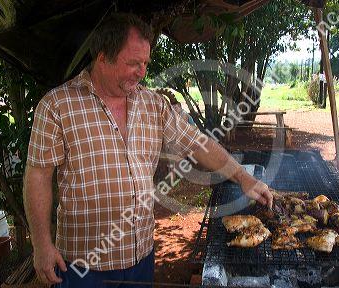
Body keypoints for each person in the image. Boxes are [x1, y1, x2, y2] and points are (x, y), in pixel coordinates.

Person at [23, 13, 273, 287]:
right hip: (83, 267)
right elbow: (38, 175)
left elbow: (197, 143)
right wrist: (41, 245)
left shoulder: (153, 104)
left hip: (141, 256)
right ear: (102, 57)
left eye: (145, 63)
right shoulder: (57, 105)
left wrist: (242, 176)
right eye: (133, 63)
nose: (141, 72)